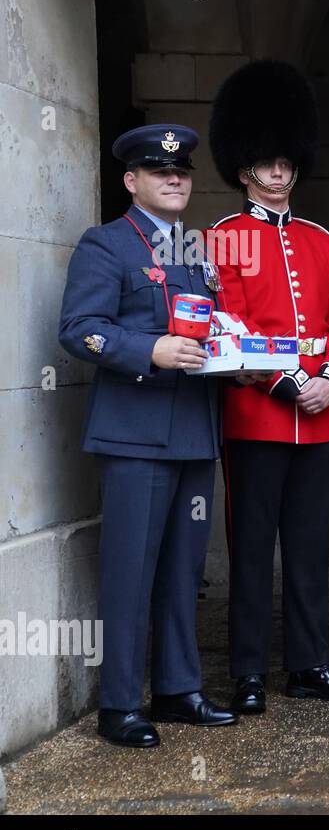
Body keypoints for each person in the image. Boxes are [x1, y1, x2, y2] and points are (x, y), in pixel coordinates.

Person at [58, 124, 235, 746]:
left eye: (183, 172)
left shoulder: (195, 252)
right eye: (162, 172)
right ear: (132, 182)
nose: (175, 179)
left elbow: (206, 325)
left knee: (184, 571)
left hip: (192, 428)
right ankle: (119, 704)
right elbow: (80, 328)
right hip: (134, 434)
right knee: (130, 571)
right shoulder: (106, 244)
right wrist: (148, 349)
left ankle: (178, 688)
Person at [207, 60, 329, 713]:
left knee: (307, 550)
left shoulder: (321, 240)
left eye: (286, 163)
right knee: (250, 552)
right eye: (266, 164)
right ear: (244, 168)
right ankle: (247, 671)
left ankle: (309, 665)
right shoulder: (223, 238)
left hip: (320, 418)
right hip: (255, 416)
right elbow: (229, 325)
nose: (278, 174)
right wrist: (288, 381)